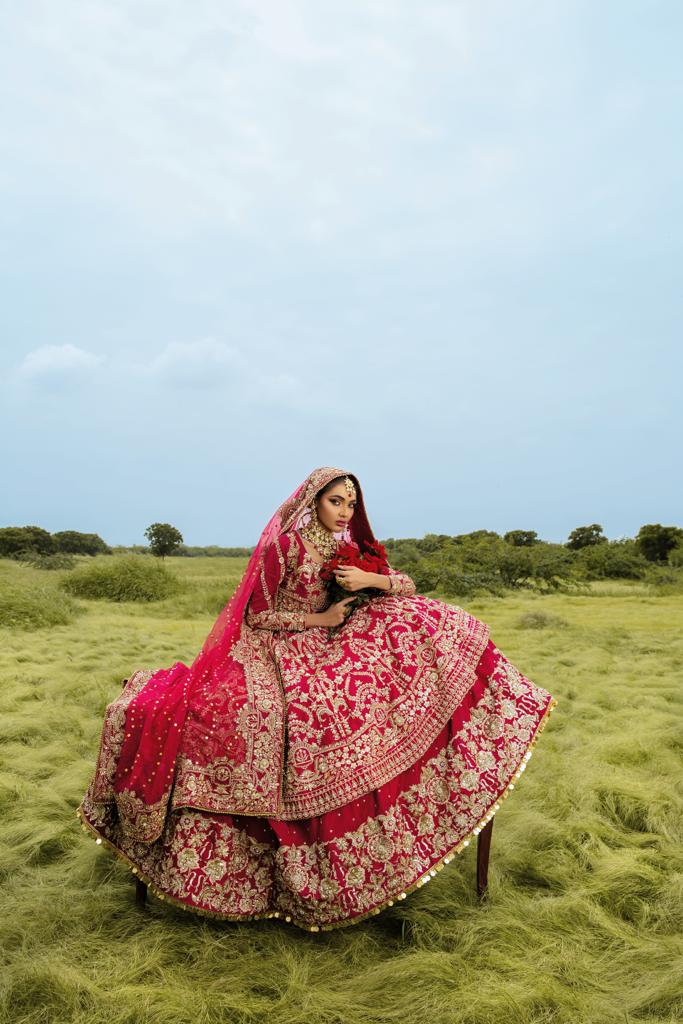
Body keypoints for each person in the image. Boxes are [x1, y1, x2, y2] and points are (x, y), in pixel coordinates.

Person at [77, 466, 558, 932]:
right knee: (304, 711)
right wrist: (322, 622)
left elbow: (405, 583)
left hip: (330, 642)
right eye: (336, 501)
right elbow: (258, 616)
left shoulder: (346, 545)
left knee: (425, 624)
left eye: (351, 502)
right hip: (280, 646)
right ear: (313, 501)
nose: (346, 511)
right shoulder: (284, 546)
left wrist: (372, 582)